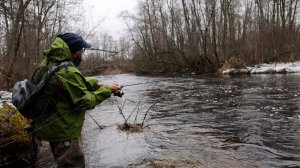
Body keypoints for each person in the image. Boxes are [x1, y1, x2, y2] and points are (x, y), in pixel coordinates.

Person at [32, 32, 122, 168]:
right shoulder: (68, 71)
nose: (83, 53)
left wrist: (97, 83)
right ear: (75, 51)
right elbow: (86, 101)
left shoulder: (49, 62)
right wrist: (108, 90)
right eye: (82, 50)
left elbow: (72, 82)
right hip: (65, 134)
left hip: (49, 128)